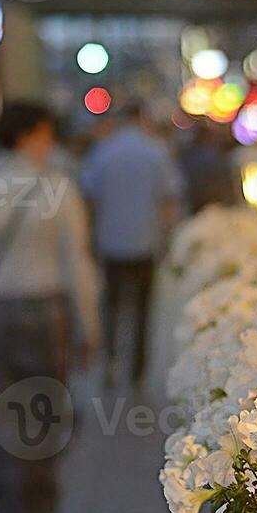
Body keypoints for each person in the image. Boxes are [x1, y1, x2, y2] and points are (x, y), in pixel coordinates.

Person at [0, 102, 100, 513]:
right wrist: (89, 327)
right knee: (45, 421)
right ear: (28, 136)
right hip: (49, 315)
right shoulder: (59, 190)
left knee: (0, 427)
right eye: (45, 134)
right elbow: (77, 265)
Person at [79, 100, 184, 390]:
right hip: (145, 242)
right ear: (142, 118)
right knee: (142, 309)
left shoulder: (103, 151)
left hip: (110, 241)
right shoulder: (156, 150)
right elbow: (169, 199)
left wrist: (88, 237)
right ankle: (137, 372)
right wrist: (169, 238)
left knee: (111, 306)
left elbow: (89, 197)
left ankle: (110, 362)